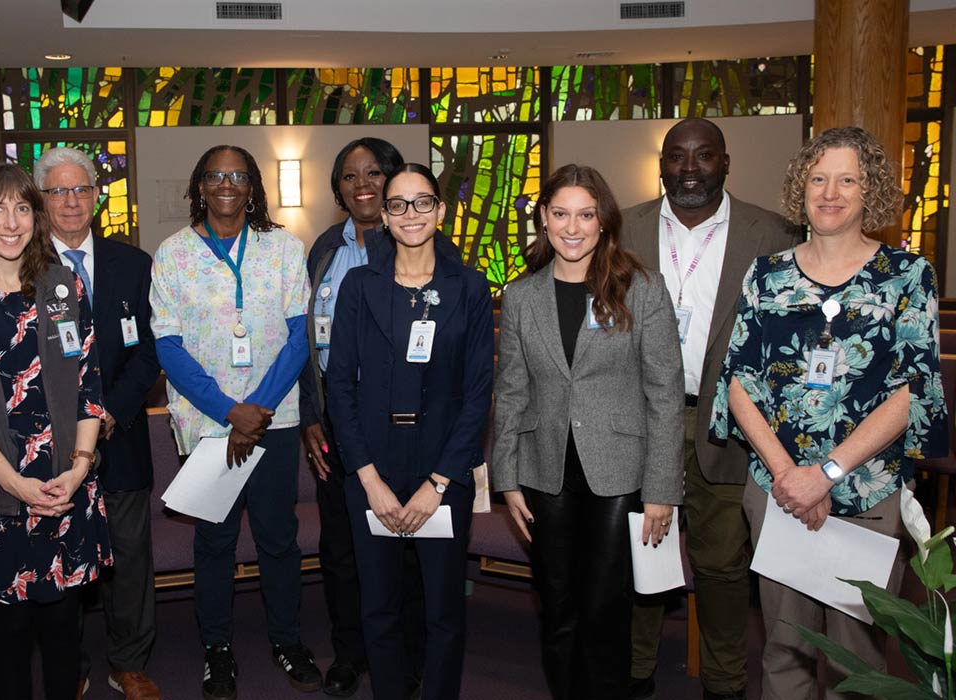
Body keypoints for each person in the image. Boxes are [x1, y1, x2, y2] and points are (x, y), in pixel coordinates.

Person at [710, 126, 948, 698]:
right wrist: (791, 477)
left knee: (857, 661)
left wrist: (826, 476)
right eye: (819, 178)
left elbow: (910, 391)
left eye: (848, 179)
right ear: (802, 188)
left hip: (866, 493)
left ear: (871, 192)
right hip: (777, 492)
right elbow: (738, 381)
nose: (831, 192)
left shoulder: (908, 277)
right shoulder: (766, 275)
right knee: (784, 653)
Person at [621, 117, 801, 700]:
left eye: (703, 156)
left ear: (725, 163)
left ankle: (725, 683)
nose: (689, 168)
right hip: (639, 418)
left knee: (723, 565)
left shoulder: (772, 233)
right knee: (640, 553)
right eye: (677, 156)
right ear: (662, 165)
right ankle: (635, 669)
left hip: (727, 421)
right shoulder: (623, 228)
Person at [491, 164, 683, 699]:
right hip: (543, 469)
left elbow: (664, 395)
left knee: (604, 606)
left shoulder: (642, 288)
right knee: (557, 606)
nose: (572, 227)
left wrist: (663, 490)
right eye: (560, 214)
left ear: (604, 222)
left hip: (618, 472)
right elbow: (510, 391)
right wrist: (506, 478)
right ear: (544, 220)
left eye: (585, 214)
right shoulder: (523, 295)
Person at [0, 162, 112, 700]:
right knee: (8, 637)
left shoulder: (62, 287)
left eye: (22, 208)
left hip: (64, 487)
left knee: (63, 631)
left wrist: (78, 470)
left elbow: (89, 384)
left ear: (36, 218)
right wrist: (17, 486)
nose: (11, 222)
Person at [149, 145, 319, 700]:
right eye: (216, 175)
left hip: (276, 421)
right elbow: (168, 347)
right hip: (207, 425)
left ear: (253, 187)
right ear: (200, 184)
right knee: (215, 543)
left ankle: (287, 641)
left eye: (238, 176)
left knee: (277, 538)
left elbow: (300, 336)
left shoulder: (284, 249)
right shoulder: (172, 255)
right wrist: (229, 411)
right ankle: (217, 649)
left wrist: (258, 410)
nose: (227, 184)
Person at [326, 163, 494, 700]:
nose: (411, 214)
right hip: (372, 465)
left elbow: (477, 397)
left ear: (441, 211)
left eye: (423, 202)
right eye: (398, 204)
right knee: (379, 607)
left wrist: (440, 482)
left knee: (443, 610)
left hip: (442, 468)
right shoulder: (359, 286)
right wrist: (369, 480)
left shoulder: (468, 287)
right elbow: (340, 390)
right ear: (385, 217)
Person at [298, 137, 432, 697]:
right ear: (338, 191)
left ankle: (405, 654)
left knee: (404, 546)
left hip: (401, 425)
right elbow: (306, 337)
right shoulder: (325, 249)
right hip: (336, 420)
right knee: (342, 545)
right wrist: (311, 413)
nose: (363, 185)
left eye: (374, 173)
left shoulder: (417, 247)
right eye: (350, 177)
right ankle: (351, 651)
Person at [35, 147, 164, 700]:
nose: (70, 201)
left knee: (129, 556)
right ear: (41, 201)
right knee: (60, 559)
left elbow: (151, 352)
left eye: (81, 189)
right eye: (58, 191)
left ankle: (128, 662)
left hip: (122, 435)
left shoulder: (133, 264)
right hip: (48, 446)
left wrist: (109, 412)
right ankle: (72, 663)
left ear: (97, 196)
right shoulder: (21, 267)